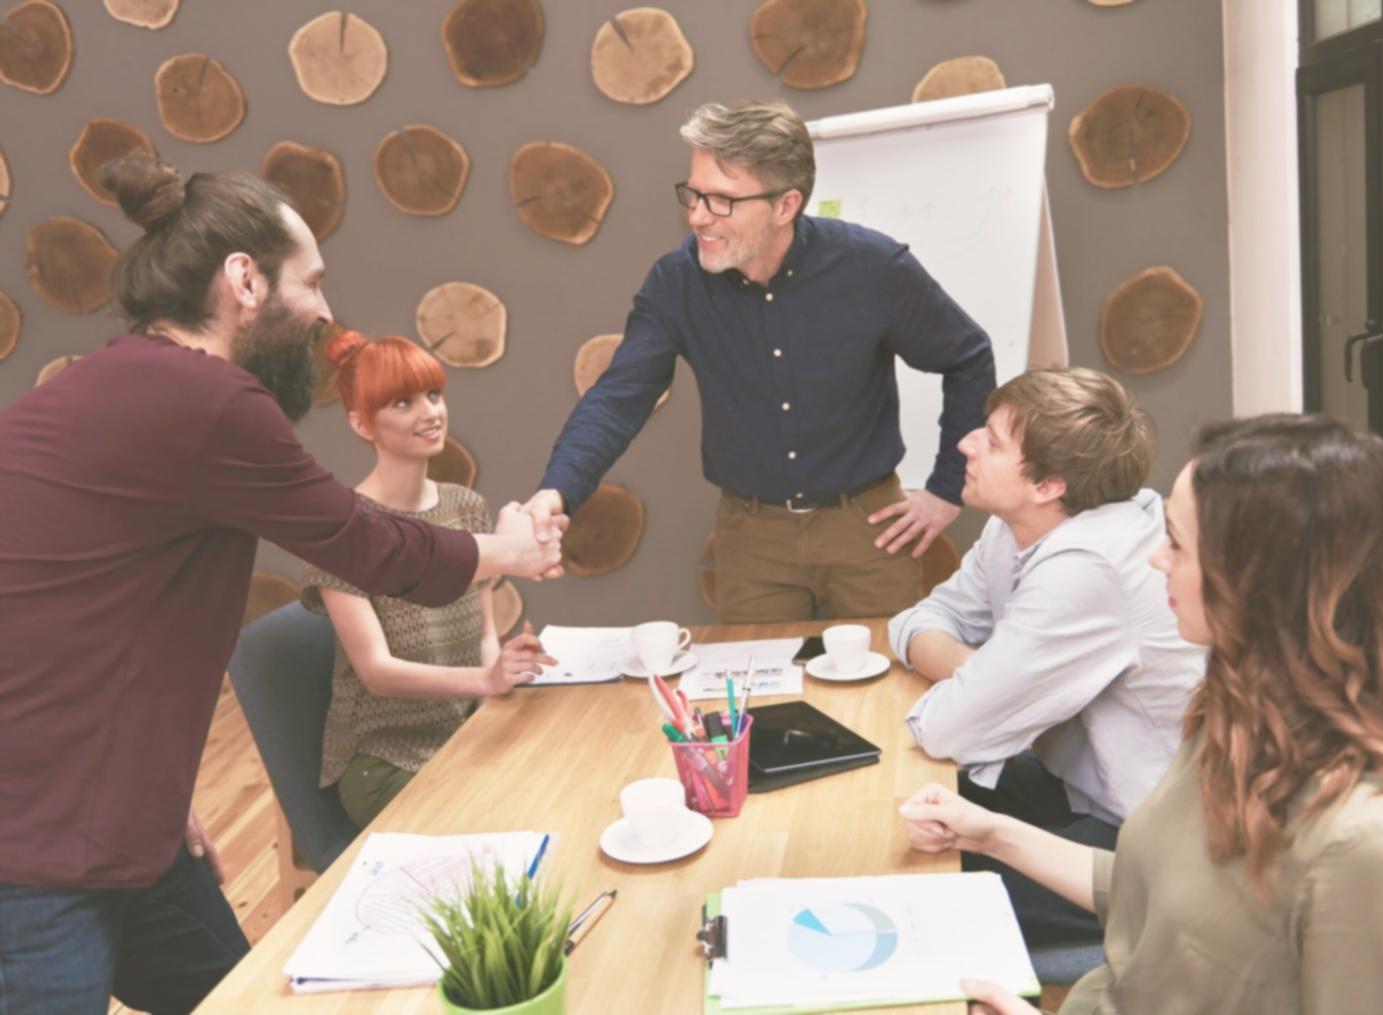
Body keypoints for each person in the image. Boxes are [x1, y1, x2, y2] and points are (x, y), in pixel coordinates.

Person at [0, 156, 563, 1014]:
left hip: (113, 819)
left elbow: (82, 615)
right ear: (244, 281)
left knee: (234, 993)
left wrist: (144, 787)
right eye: (313, 282)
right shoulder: (209, 399)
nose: (327, 313)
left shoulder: (121, 385)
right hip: (30, 849)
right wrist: (508, 550)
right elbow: (359, 540)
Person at [901, 414, 1383, 1014]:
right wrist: (992, 835)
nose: (1155, 561)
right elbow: (1163, 897)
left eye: (1176, 542)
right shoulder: (1234, 710)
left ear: (1258, 582)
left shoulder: (1369, 848)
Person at [524, 99, 996, 623]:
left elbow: (967, 356)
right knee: (757, 700)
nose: (698, 215)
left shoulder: (873, 268)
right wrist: (556, 491)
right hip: (752, 540)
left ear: (785, 205)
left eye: (722, 200)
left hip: (868, 530)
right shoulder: (676, 282)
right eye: (694, 194)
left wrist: (946, 489)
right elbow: (618, 399)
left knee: (888, 693)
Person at [889, 367, 1205, 948]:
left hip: (1153, 846)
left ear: (1047, 485)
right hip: (1078, 787)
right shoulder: (1016, 527)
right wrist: (994, 677)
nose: (966, 443)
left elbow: (946, 727)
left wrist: (996, 685)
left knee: (909, 891)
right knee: (897, 810)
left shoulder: (1090, 563)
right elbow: (916, 622)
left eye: (992, 439)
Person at [302, 330, 555, 827]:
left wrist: (496, 685)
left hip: (466, 736)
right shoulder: (343, 532)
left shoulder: (465, 507)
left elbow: (484, 632)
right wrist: (486, 678)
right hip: (388, 763)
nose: (430, 413)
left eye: (434, 395)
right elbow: (376, 671)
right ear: (361, 423)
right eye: (403, 402)